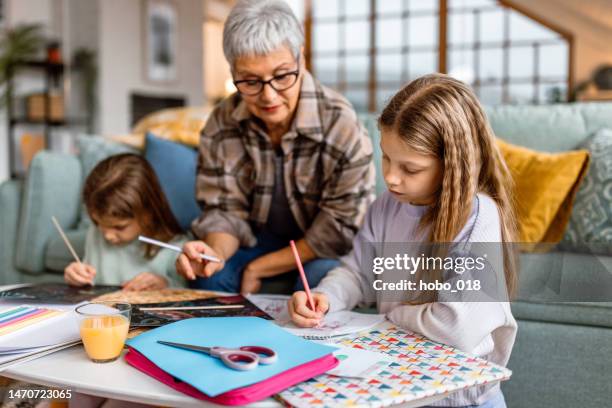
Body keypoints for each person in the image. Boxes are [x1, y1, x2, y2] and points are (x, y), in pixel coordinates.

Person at [289, 74, 518, 408]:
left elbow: (457, 326)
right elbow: (357, 273)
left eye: (410, 169)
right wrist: (325, 297)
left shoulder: (478, 215)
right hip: (401, 392)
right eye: (386, 158)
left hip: (463, 401)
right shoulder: (386, 206)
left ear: (452, 166)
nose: (391, 178)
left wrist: (393, 314)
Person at [176, 0, 375, 294]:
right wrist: (213, 253)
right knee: (209, 278)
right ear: (233, 72)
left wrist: (262, 267)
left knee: (322, 282)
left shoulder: (341, 124)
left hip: (320, 248)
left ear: (301, 59)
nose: (268, 96)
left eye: (282, 76)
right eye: (251, 81)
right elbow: (225, 213)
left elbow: (338, 230)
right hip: (256, 240)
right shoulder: (221, 124)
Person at [64, 153, 185, 290]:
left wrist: (165, 285)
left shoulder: (176, 247)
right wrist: (76, 276)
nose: (107, 235)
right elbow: (87, 283)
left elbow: (189, 297)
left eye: (119, 227)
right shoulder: (96, 232)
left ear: (148, 213)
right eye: (98, 223)